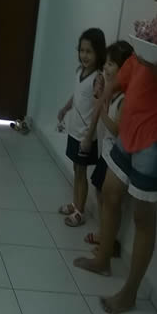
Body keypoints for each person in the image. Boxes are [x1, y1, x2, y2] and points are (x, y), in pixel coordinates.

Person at [74, 0, 157, 314]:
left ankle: (130, 293)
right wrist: (111, 88)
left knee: (143, 217)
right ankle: (103, 257)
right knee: (110, 190)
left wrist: (156, 67)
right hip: (130, 128)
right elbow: (135, 68)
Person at [84, 40, 133, 252]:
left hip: (115, 160)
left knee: (111, 202)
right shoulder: (111, 92)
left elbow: (116, 129)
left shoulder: (123, 99)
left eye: (111, 64)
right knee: (100, 192)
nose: (106, 67)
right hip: (105, 155)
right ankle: (104, 235)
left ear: (125, 70)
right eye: (106, 63)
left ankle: (109, 242)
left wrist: (102, 110)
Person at [58, 28, 106, 226]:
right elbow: (77, 95)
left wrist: (89, 136)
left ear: (98, 53)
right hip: (74, 131)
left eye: (89, 51)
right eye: (82, 50)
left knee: (81, 172)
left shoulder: (98, 78)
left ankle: (80, 211)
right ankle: (75, 203)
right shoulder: (80, 72)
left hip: (85, 135)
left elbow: (97, 109)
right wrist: (65, 108)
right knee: (76, 169)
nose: (84, 55)